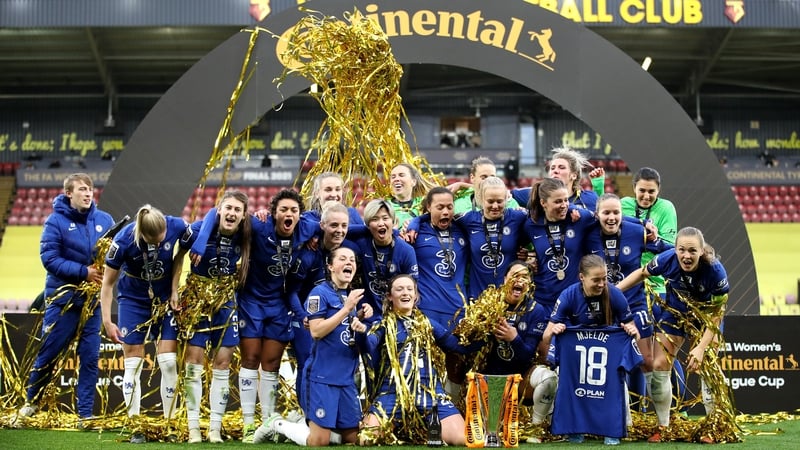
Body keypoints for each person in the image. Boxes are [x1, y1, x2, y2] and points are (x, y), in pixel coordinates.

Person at [616, 227, 731, 444]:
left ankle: (714, 427)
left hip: (706, 318)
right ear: (675, 249)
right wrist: (615, 291)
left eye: (692, 251)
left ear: (701, 251)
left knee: (708, 365)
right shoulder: (667, 259)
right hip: (675, 314)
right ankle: (664, 427)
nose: (686, 256)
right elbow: (641, 273)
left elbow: (717, 313)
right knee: (659, 365)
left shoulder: (715, 271)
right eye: (682, 250)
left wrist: (699, 348)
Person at [18, 173, 114, 424]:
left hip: (92, 302)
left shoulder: (105, 220)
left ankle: (85, 413)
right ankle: (32, 402)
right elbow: (49, 259)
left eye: (90, 189)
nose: (88, 193)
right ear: (68, 193)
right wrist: (84, 272)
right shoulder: (54, 222)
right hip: (64, 301)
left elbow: (116, 255)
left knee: (91, 357)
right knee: (49, 352)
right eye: (82, 189)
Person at [254, 246, 372, 446]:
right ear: (330, 266)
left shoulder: (348, 295)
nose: (349, 262)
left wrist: (359, 316)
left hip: (346, 378)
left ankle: (302, 423)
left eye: (352, 259)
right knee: (319, 441)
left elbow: (343, 327)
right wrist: (347, 309)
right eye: (343, 259)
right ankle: (278, 423)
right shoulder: (320, 293)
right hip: (321, 377)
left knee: (353, 439)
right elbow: (316, 331)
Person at [356, 275, 478, 446]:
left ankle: (422, 428)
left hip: (430, 393)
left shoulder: (429, 324)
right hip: (391, 394)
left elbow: (458, 347)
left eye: (409, 289)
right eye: (399, 289)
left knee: (462, 439)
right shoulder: (383, 324)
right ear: (390, 297)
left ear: (416, 295)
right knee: (366, 439)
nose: (405, 293)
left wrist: (485, 334)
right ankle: (405, 429)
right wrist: (361, 333)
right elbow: (368, 346)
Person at [101, 205, 188, 443]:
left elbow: (185, 250)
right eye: (154, 241)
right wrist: (107, 321)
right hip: (133, 300)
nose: (160, 245)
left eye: (163, 240)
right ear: (142, 235)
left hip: (163, 299)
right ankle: (135, 425)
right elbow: (107, 284)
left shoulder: (177, 225)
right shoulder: (123, 241)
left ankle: (170, 424)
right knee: (133, 365)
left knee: (169, 363)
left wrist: (173, 289)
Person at [237, 189, 318, 443]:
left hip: (279, 304)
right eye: (283, 209)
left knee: (271, 364)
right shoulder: (259, 226)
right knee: (250, 359)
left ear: (299, 216)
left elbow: (335, 223)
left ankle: (268, 421)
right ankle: (248, 423)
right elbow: (218, 218)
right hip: (251, 300)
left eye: (294, 210)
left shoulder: (307, 228)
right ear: (273, 213)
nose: (289, 214)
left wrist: (315, 236)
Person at [172, 190, 251, 443]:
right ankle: (193, 426)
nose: (232, 213)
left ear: (243, 215)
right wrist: (174, 290)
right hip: (197, 298)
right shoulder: (197, 230)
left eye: (237, 210)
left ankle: (215, 427)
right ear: (219, 210)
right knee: (193, 364)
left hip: (226, 299)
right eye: (228, 208)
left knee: (223, 364)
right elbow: (178, 256)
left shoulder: (246, 234)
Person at [542, 254, 640, 445]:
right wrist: (555, 330)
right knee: (572, 387)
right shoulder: (569, 295)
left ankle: (613, 430)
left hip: (607, 361)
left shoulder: (615, 295)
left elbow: (635, 335)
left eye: (604, 278)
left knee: (617, 387)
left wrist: (631, 330)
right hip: (578, 360)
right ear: (582, 278)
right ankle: (574, 430)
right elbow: (546, 336)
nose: (602, 283)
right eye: (596, 279)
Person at [588, 193, 672, 412]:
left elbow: (667, 251)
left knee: (646, 359)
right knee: (607, 363)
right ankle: (610, 416)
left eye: (616, 212)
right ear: (597, 215)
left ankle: (654, 416)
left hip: (634, 304)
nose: (612, 217)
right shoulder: (587, 233)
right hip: (601, 308)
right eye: (606, 213)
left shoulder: (637, 232)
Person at [619, 167, 682, 410]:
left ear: (659, 191)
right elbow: (612, 223)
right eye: (642, 190)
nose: (646, 196)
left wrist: (652, 240)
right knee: (636, 347)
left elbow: (669, 249)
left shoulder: (666, 208)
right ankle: (637, 407)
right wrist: (644, 230)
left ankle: (679, 408)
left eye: (651, 192)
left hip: (658, 288)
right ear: (634, 188)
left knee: (663, 353)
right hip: (629, 288)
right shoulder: (624, 203)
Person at [469, 261, 555, 430]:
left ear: (530, 284)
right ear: (504, 279)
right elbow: (470, 347)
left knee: (549, 379)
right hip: (489, 378)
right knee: (489, 431)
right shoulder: (488, 304)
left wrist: (514, 338)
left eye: (525, 277)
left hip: (520, 376)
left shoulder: (536, 310)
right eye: (515, 276)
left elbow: (528, 356)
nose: (520, 281)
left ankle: (535, 428)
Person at [288, 202, 352, 421]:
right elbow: (291, 291)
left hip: (334, 318)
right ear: (322, 225)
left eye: (344, 225)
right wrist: (302, 315)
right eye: (334, 225)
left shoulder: (346, 250)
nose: (339, 230)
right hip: (306, 319)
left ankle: (332, 415)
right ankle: (308, 416)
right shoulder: (308, 254)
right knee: (308, 363)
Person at [521, 177, 596, 313]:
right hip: (544, 299)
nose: (564, 205)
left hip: (575, 298)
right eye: (558, 201)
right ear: (543, 202)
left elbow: (608, 217)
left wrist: (642, 224)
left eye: (566, 200)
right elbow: (514, 246)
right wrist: (524, 258)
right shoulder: (531, 224)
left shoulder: (578, 218)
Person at [451, 176, 529, 300]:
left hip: (509, 297)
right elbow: (436, 215)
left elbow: (547, 211)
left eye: (499, 201)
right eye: (490, 201)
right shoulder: (468, 219)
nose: (495, 206)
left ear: (506, 199)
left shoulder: (517, 216)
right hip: (478, 297)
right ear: (481, 199)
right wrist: (414, 224)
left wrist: (530, 256)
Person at [348, 199, 418, 321]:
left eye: (385, 218)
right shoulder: (361, 244)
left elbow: (414, 289)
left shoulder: (406, 251)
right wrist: (365, 229)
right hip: (368, 316)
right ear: (368, 224)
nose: (381, 223)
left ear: (393, 221)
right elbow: (338, 232)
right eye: (375, 219)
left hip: (397, 318)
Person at [511, 147, 605, 210]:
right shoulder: (535, 193)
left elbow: (603, 216)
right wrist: (518, 211)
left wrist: (599, 189)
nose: (555, 171)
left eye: (561, 167)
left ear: (574, 175)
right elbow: (505, 196)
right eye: (552, 168)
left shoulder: (589, 198)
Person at [450, 156, 520, 214]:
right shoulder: (459, 205)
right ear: (472, 178)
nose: (488, 181)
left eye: (492, 177)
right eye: (484, 177)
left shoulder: (510, 204)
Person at [386, 163, 435, 230]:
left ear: (413, 182)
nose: (396, 179)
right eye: (393, 177)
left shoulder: (425, 203)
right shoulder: (384, 206)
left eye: (401, 175)